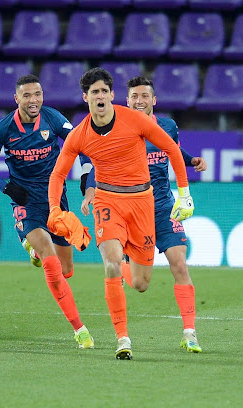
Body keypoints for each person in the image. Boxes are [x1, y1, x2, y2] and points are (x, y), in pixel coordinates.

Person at [47, 67, 195, 360]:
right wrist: (54, 209)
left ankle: (128, 256)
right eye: (94, 92)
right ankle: (122, 339)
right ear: (85, 97)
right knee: (111, 264)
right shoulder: (79, 135)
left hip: (143, 202)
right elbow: (57, 175)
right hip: (107, 201)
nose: (100, 96)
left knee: (140, 283)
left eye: (104, 91)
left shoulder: (135, 120)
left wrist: (185, 193)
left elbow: (172, 150)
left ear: (112, 96)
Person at [79, 76, 207, 353]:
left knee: (180, 264)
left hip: (162, 206)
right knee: (138, 283)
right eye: (134, 96)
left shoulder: (168, 126)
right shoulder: (120, 128)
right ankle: (123, 264)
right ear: (126, 100)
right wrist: (90, 192)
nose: (139, 101)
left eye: (144, 96)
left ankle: (190, 332)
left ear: (154, 100)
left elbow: (171, 149)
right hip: (128, 205)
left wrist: (191, 160)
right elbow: (99, 165)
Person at [0, 74, 95, 350]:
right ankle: (80, 330)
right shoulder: (2, 129)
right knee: (51, 262)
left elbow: (84, 147)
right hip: (25, 200)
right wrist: (7, 188)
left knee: (66, 270)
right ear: (16, 98)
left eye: (38, 94)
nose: (34, 100)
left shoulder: (53, 118)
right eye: (27, 95)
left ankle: (31, 248)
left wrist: (86, 175)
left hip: (56, 198)